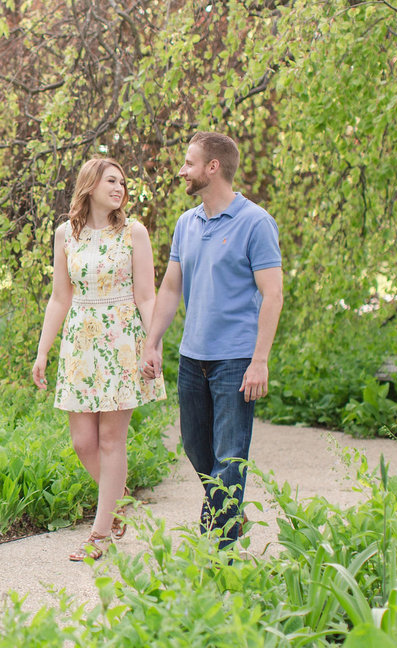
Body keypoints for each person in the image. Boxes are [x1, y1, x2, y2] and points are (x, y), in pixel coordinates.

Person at [141, 132, 283, 548]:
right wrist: (152, 342)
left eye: (189, 162)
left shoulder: (256, 222)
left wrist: (260, 360)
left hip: (236, 361)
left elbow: (272, 295)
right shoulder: (187, 223)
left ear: (213, 167)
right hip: (192, 358)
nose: (181, 170)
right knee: (196, 449)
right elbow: (169, 289)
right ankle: (228, 520)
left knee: (228, 459)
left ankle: (219, 555)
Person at [32, 157, 167, 561]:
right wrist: (43, 352)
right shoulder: (65, 235)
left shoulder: (133, 232)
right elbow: (60, 298)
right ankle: (120, 502)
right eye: (111, 180)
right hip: (80, 344)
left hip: (122, 340)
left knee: (111, 440)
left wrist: (153, 344)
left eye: (122, 182)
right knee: (82, 441)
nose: (119, 188)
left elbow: (147, 295)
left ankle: (100, 535)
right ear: (89, 185)